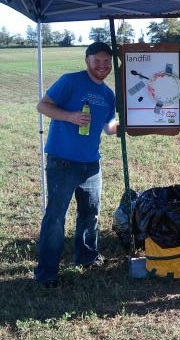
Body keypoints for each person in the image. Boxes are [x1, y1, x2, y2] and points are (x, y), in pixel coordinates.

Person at [34, 42, 118, 287]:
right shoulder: (70, 81)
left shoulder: (108, 95)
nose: (102, 66)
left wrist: (133, 124)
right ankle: (47, 273)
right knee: (56, 217)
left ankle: (86, 257)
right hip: (63, 161)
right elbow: (43, 105)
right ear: (87, 60)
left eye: (107, 62)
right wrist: (70, 116)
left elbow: (108, 126)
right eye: (97, 60)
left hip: (91, 164)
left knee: (90, 214)